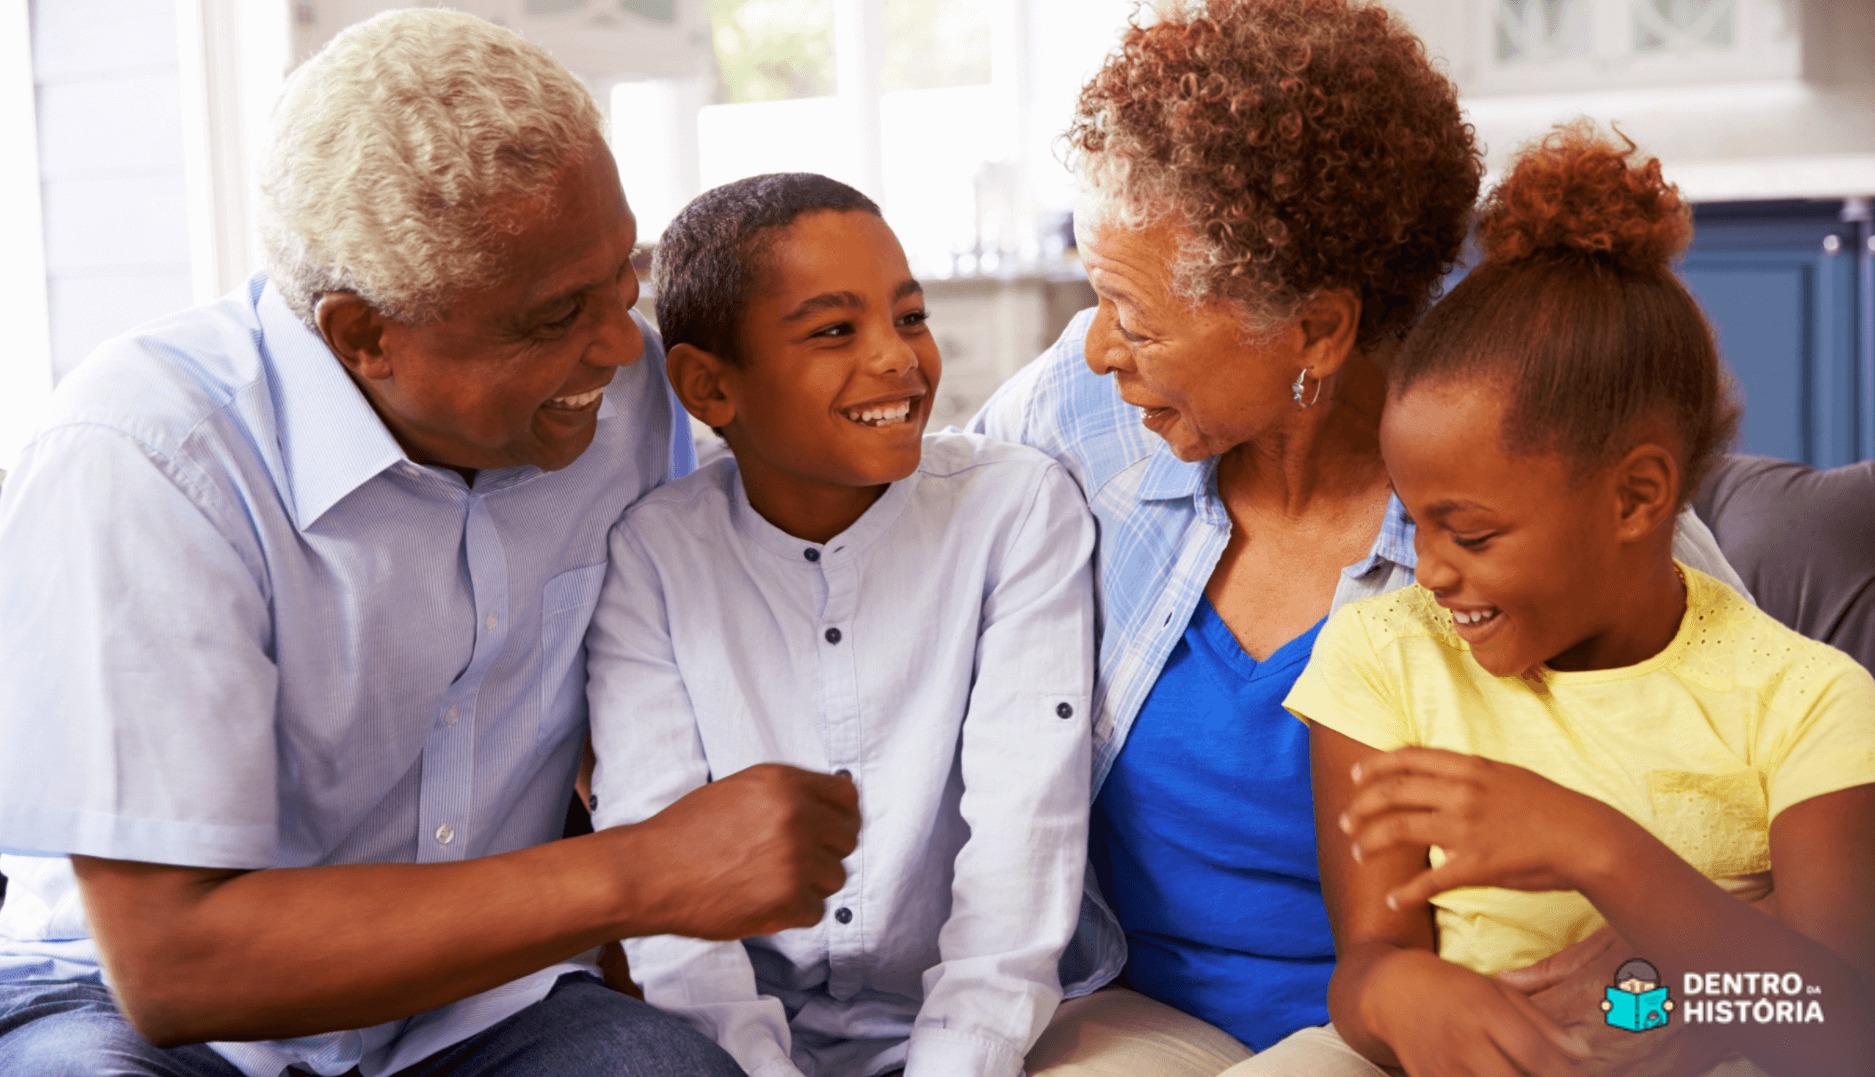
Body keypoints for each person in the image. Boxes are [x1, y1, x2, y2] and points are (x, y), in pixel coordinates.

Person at [0, 12, 858, 1076]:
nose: (617, 341)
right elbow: (177, 966)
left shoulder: (620, 397)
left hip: (485, 1004)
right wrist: (647, 873)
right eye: (553, 316)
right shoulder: (145, 458)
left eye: (620, 276)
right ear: (365, 336)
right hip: (139, 1019)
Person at [966, 2, 1755, 1073]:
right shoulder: (1084, 411)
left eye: (1138, 317)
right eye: (1096, 296)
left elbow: (1775, 792)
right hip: (1131, 1004)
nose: (1102, 347)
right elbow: (898, 543)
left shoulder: (1521, 465)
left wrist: (1658, 972)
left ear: (1319, 331)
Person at [1288, 124, 1875, 1077]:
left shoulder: (1804, 700)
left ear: (1637, 497)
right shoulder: (1383, 654)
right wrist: (1398, 994)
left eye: (1469, 533)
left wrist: (1598, 850)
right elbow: (1369, 961)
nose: (1427, 569)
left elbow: (1836, 1031)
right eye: (1414, 523)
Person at [584, 173, 1097, 1077]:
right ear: (708, 386)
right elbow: (665, 871)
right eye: (833, 330)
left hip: (986, 1029)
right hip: (731, 1045)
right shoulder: (653, 555)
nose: (899, 359)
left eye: (909, 317)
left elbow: (1022, 841)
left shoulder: (1015, 511)